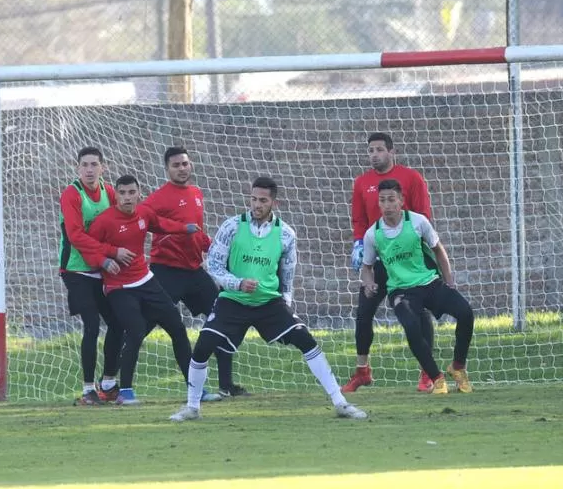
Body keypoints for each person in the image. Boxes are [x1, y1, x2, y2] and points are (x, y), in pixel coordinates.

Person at [170, 177, 367, 422]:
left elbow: (287, 274)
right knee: (203, 345)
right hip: (233, 299)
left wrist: (286, 303)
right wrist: (238, 283)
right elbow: (214, 265)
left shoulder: (286, 234)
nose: (257, 204)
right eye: (253, 199)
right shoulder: (232, 226)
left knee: (306, 340)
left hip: (268, 302)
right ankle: (192, 407)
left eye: (263, 200)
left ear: (274, 202)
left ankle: (340, 402)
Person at [84, 174, 198, 405]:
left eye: (131, 192)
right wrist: (108, 257)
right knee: (135, 331)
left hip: (146, 280)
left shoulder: (143, 213)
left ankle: (195, 389)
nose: (127, 197)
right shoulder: (104, 221)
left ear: (139, 194)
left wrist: (185, 228)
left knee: (177, 328)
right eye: (122, 193)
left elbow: (160, 224)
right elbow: (88, 248)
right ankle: (124, 392)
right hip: (119, 286)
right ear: (116, 195)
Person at [144, 147, 245, 399]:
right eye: (176, 165)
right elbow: (141, 220)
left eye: (185, 164)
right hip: (166, 271)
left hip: (194, 271)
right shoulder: (158, 198)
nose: (181, 168)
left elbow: (197, 232)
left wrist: (213, 249)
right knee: (141, 327)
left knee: (221, 319)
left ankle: (226, 385)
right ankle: (114, 385)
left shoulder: (197, 193)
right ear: (167, 169)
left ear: (191, 165)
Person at [344, 132, 438, 393]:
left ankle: (428, 373)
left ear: (391, 151)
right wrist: (359, 244)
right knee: (364, 312)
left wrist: (419, 251)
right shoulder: (362, 182)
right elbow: (359, 220)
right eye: (371, 150)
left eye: (379, 149)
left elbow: (423, 216)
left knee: (419, 314)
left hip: (409, 262)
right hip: (379, 262)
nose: (374, 154)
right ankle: (362, 371)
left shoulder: (412, 178)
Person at [360, 179, 474, 395]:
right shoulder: (372, 234)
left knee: (466, 313)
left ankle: (458, 367)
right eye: (382, 200)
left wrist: (448, 280)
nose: (387, 204)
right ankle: (436, 378)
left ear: (401, 201)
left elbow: (438, 249)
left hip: (429, 282)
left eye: (391, 199)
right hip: (401, 292)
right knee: (411, 327)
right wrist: (369, 283)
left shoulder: (418, 222)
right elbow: (366, 267)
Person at [58, 147, 126, 405]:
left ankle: (108, 383)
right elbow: (76, 236)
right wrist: (108, 254)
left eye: (94, 164)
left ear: (103, 167)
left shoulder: (109, 192)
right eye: (84, 164)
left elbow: (119, 226)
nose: (89, 169)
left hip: (102, 269)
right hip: (76, 269)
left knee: (119, 322)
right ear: (77, 168)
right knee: (92, 325)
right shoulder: (71, 194)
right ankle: (88, 390)